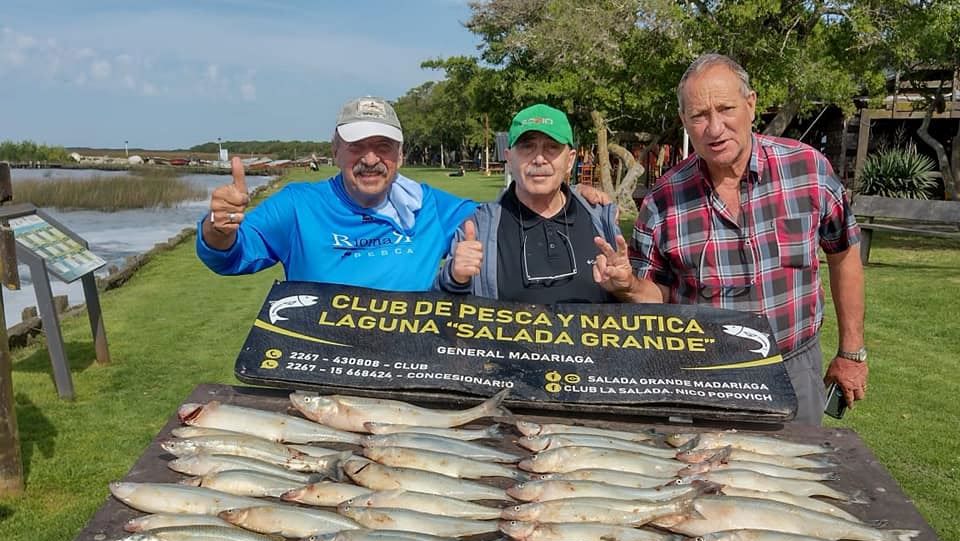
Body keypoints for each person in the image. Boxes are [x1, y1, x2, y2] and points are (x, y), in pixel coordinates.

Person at [629, 54, 867, 425]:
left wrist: (851, 352)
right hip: (705, 375)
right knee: (707, 481)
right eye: (699, 116)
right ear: (684, 122)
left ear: (751, 104)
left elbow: (844, 255)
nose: (714, 128)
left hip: (794, 365)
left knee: (797, 477)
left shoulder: (807, 169)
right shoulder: (663, 199)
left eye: (725, 109)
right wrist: (625, 285)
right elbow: (653, 295)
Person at [197, 96, 477, 291]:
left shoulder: (428, 206)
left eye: (383, 146)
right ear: (335, 152)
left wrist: (521, 167)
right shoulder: (298, 205)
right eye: (356, 146)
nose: (370, 159)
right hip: (320, 366)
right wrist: (219, 228)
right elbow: (230, 257)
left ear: (400, 155)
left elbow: (505, 223)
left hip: (408, 367)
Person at [436, 103, 652, 303]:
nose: (539, 159)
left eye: (551, 147)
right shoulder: (478, 227)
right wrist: (455, 276)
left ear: (570, 160)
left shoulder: (601, 219)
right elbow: (437, 313)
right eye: (527, 147)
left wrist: (626, 287)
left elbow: (640, 312)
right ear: (509, 158)